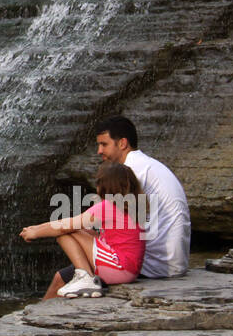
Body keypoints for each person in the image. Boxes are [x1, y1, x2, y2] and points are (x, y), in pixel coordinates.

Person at [39, 116, 192, 300]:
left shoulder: (131, 172)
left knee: (61, 278)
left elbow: (112, 221)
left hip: (153, 265)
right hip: (170, 261)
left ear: (122, 143)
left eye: (104, 144)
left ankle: (31, 325)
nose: (99, 151)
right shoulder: (146, 165)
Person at [19, 161, 147, 298]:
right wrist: (37, 228)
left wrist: (36, 233)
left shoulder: (108, 206)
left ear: (104, 186)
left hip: (120, 268)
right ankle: (43, 312)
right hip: (129, 270)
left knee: (66, 233)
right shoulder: (130, 206)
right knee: (62, 272)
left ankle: (85, 277)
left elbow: (66, 226)